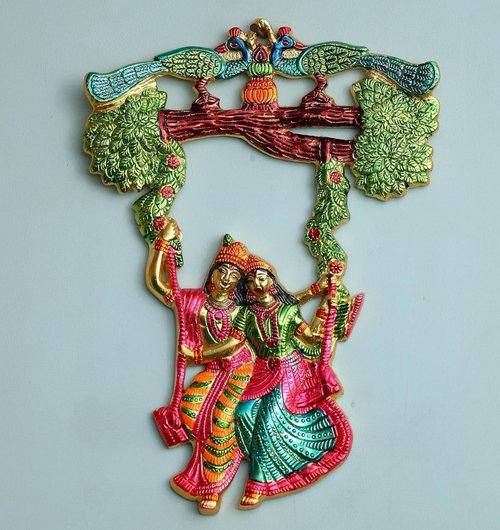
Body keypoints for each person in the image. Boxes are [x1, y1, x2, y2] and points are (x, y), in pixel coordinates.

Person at [146, 220, 253, 515]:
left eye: (234, 276)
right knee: (191, 414)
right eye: (223, 271)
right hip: (216, 369)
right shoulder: (194, 300)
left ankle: (213, 487)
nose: (227, 279)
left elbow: (234, 344)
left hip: (240, 368)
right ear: (213, 271)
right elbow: (157, 284)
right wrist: (161, 244)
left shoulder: (240, 310)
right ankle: (208, 467)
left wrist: (196, 353)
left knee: (220, 422)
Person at [232, 254, 353, 509]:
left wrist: (326, 320)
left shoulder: (287, 310)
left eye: (261, 278)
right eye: (251, 280)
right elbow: (232, 343)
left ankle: (257, 483)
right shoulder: (245, 314)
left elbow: (308, 337)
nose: (257, 284)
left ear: (272, 283)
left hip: (290, 370)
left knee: (266, 420)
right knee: (242, 413)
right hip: (260, 372)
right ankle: (269, 457)